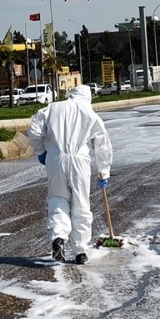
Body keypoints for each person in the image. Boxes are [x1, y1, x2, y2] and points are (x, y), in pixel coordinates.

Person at [27, 84, 112, 265]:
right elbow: (102, 145)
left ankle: (58, 236)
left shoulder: (52, 108)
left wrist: (41, 151)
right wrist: (103, 171)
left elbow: (34, 131)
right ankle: (80, 251)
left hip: (55, 159)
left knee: (58, 199)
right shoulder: (90, 113)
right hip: (79, 161)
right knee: (81, 204)